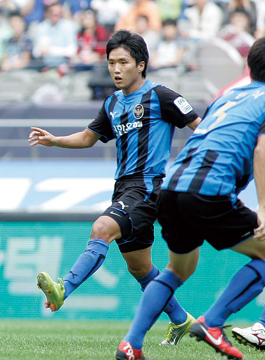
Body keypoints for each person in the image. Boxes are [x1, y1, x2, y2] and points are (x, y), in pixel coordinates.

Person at [29, 30, 201, 346]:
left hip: (147, 188)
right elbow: (88, 137)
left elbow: (200, 128)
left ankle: (63, 288)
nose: (116, 69)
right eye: (111, 63)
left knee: (101, 228)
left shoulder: (161, 96)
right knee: (141, 269)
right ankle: (182, 321)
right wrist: (55, 140)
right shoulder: (112, 103)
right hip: (123, 189)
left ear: (141, 65)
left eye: (123, 62)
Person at [115, 36, 265, 360]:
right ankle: (212, 322)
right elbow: (262, 150)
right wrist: (263, 206)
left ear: (249, 67)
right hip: (208, 192)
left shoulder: (229, 95)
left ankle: (131, 344)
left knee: (176, 271)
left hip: (170, 189)